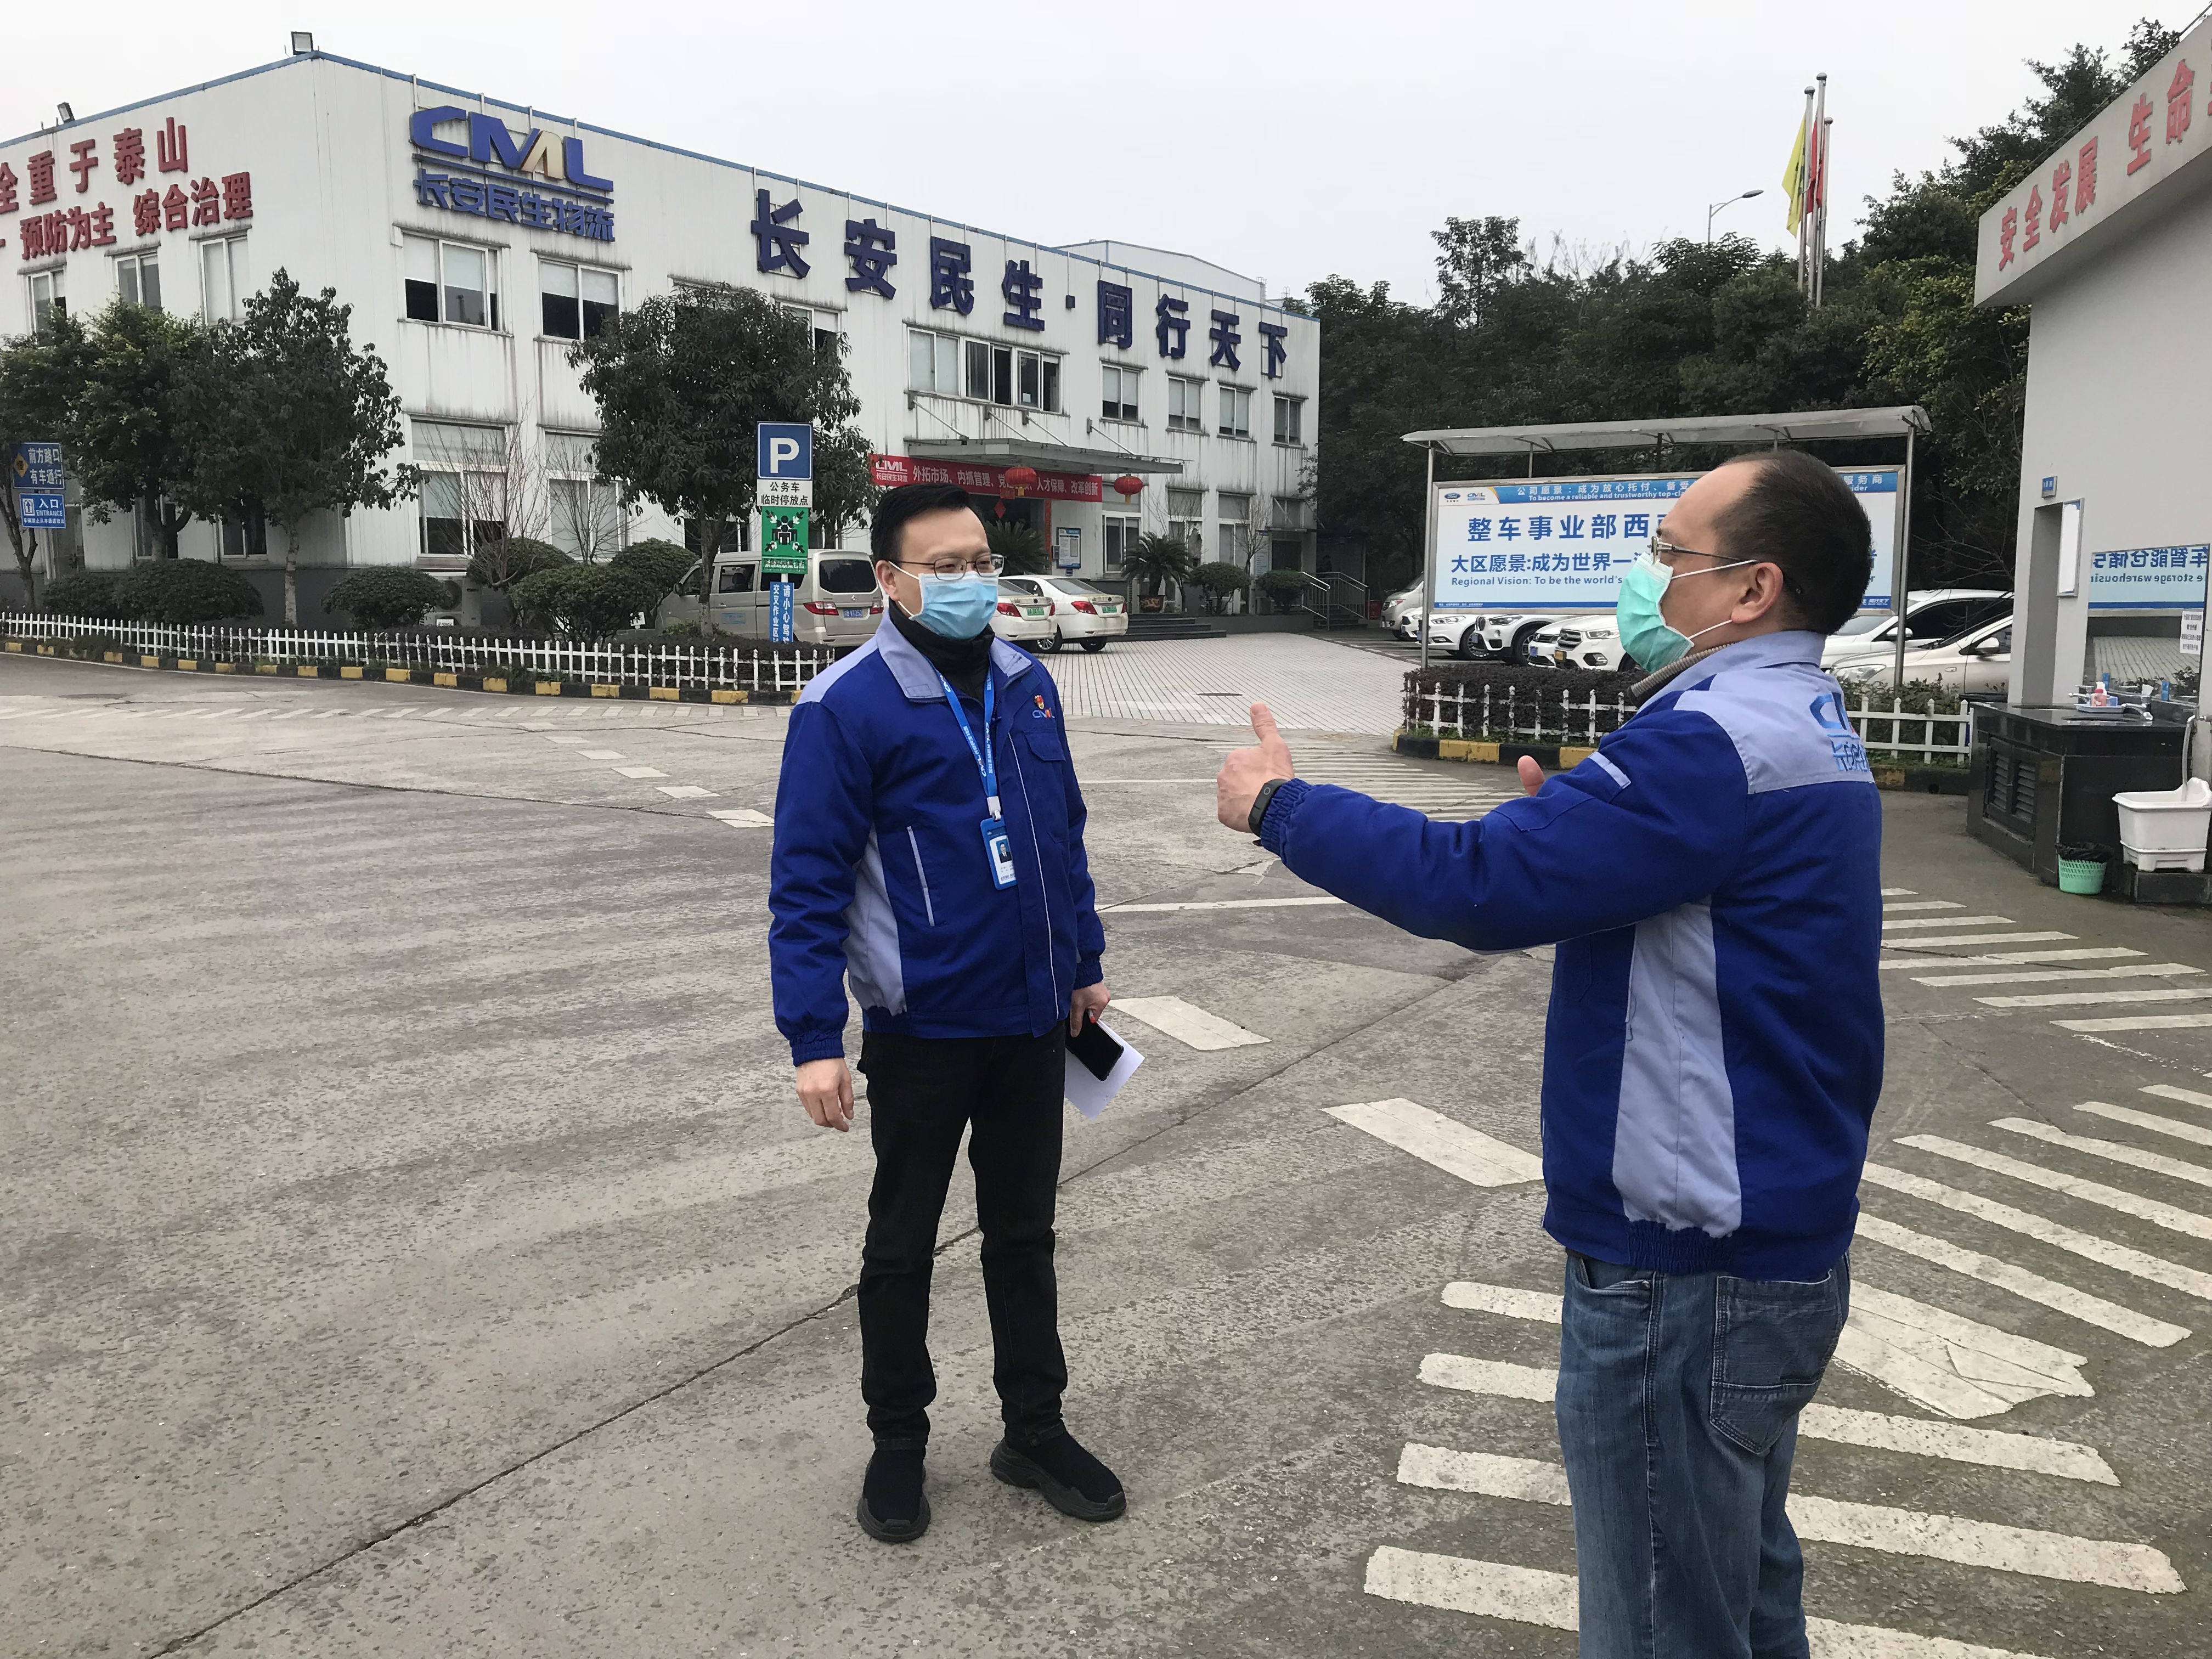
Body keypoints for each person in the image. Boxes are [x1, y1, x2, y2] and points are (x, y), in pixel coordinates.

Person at [1217, 450, 1882, 1658]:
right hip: (1772, 1233)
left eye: (1673, 552)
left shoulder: (1712, 741)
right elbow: (1655, 890)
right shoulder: (1803, 722)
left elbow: (1476, 884)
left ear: (1754, 588)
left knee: (1663, 1618)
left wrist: (1281, 807)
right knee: (1739, 1591)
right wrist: (1573, 831)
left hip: (1686, 1264)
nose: (1650, 575)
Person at [769, 481, 1122, 1545]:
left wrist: (1084, 963)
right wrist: (816, 1040)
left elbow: (1061, 836)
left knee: (1024, 1237)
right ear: (892, 580)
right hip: (922, 1034)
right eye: (947, 567)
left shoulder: (1027, 684)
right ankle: (898, 1445)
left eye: (981, 563)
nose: (972, 581)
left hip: (1032, 1024)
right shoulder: (843, 709)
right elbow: (807, 884)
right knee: (902, 1248)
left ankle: (1034, 1430)